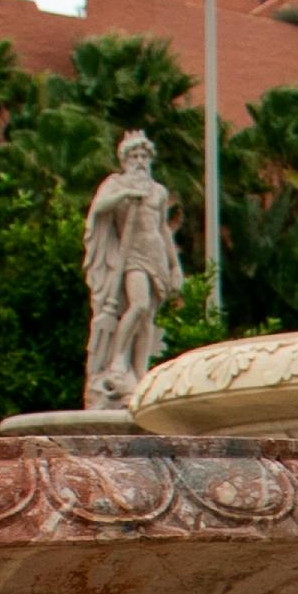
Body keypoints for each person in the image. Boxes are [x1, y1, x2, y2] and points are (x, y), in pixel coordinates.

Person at [82, 129, 182, 409]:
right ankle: (117, 360)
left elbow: (163, 230)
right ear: (124, 160)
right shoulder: (115, 184)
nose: (139, 160)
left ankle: (140, 373)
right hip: (131, 256)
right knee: (136, 305)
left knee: (148, 316)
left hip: (156, 254)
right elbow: (98, 208)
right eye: (134, 155)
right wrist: (126, 193)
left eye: (143, 155)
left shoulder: (158, 191)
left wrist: (175, 266)